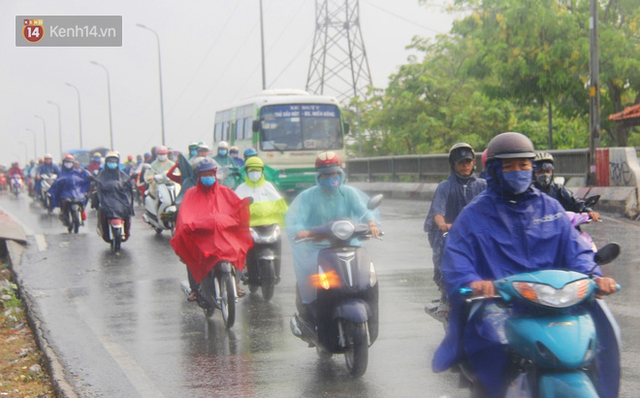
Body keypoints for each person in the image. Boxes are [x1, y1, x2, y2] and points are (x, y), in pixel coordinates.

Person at [432, 132, 618, 398]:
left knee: (607, 331)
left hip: (557, 304)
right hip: (501, 304)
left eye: (524, 164)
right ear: (495, 170)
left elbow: (575, 248)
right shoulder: (475, 214)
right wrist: (472, 282)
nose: (518, 171)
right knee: (490, 345)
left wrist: (593, 275)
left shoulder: (550, 208)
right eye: (509, 166)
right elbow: (457, 257)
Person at [285, 151, 380, 324]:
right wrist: (301, 230)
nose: (332, 178)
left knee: (365, 272)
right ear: (319, 176)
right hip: (317, 246)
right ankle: (310, 307)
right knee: (309, 271)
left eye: (335, 173)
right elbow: (298, 218)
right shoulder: (309, 196)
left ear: (341, 173)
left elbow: (363, 211)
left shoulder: (349, 193)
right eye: (326, 175)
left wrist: (372, 224)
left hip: (348, 243)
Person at [170, 158, 253, 301]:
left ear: (215, 174)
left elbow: (236, 208)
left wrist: (243, 206)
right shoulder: (190, 193)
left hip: (223, 235)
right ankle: (195, 289)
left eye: (210, 173)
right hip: (201, 236)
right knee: (193, 254)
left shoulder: (225, 191)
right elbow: (185, 215)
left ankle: (236, 283)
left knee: (237, 249)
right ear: (199, 175)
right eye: (204, 174)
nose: (207, 177)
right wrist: (191, 226)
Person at [423, 143, 486, 316]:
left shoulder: (483, 186)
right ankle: (445, 294)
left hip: (478, 235)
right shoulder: (445, 187)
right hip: (451, 235)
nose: (465, 165)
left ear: (474, 163)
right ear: (453, 165)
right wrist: (442, 223)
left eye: (468, 162)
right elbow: (437, 212)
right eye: (460, 162)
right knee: (443, 248)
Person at [235, 157, 288, 283]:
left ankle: (276, 273)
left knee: (277, 243)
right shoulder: (241, 188)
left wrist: (290, 216)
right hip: (249, 226)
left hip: (269, 224)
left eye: (257, 170)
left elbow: (281, 204)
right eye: (251, 170)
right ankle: (247, 271)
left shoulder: (268, 186)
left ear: (262, 171)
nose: (254, 173)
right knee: (245, 249)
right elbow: (234, 207)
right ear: (246, 172)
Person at [533, 152, 600, 222]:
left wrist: (588, 210)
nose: (544, 174)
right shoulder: (530, 192)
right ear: (534, 173)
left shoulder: (559, 189)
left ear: (552, 172)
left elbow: (575, 202)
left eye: (547, 171)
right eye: (540, 171)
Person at [94, 152, 135, 243]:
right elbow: (97, 184)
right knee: (102, 212)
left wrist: (131, 183)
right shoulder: (102, 174)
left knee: (127, 211)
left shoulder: (122, 174)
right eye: (110, 161)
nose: (112, 163)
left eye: (114, 161)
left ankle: (126, 232)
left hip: (120, 200)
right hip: (107, 199)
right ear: (106, 162)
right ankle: (105, 233)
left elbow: (128, 183)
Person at [48, 155, 91, 225]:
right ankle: (62, 213)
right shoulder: (61, 173)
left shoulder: (78, 172)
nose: (68, 164)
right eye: (67, 162)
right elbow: (56, 185)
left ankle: (82, 212)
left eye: (70, 162)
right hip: (65, 194)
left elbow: (85, 179)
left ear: (73, 163)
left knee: (85, 197)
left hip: (77, 193)